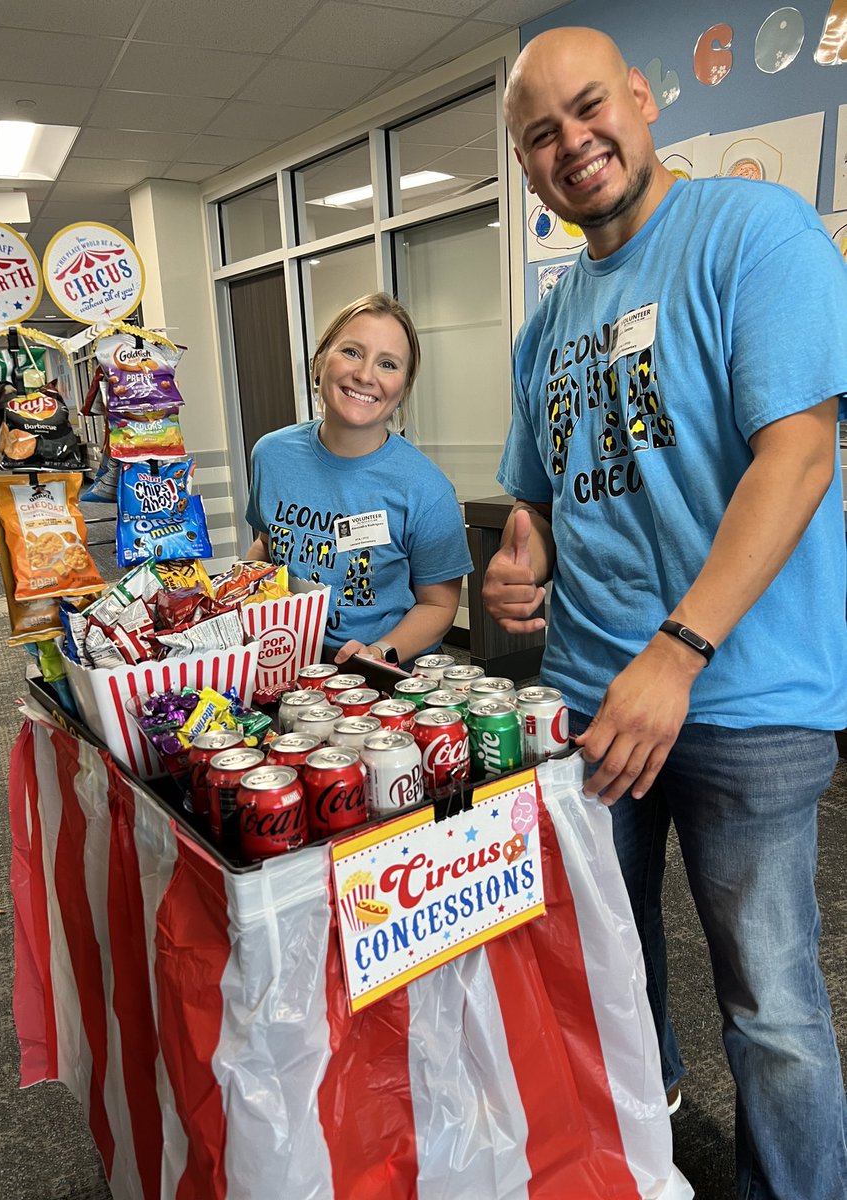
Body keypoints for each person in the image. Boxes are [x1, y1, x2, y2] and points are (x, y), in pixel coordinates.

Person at [483, 26, 847, 1200]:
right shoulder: (549, 323)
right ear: (527, 164)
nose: (572, 143)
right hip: (592, 698)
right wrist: (522, 558)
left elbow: (798, 458)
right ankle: (654, 1135)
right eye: (541, 133)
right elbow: (540, 496)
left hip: (745, 693)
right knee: (609, 965)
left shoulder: (755, 231)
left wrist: (677, 653)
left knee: (774, 1006)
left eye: (590, 107)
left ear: (641, 98)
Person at [246, 292, 472, 668]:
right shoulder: (271, 455)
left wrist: (377, 652)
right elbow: (266, 544)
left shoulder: (426, 488)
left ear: (403, 389)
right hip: (285, 661)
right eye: (352, 352)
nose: (365, 376)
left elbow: (438, 606)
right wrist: (236, 595)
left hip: (382, 677)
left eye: (387, 364)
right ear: (319, 363)